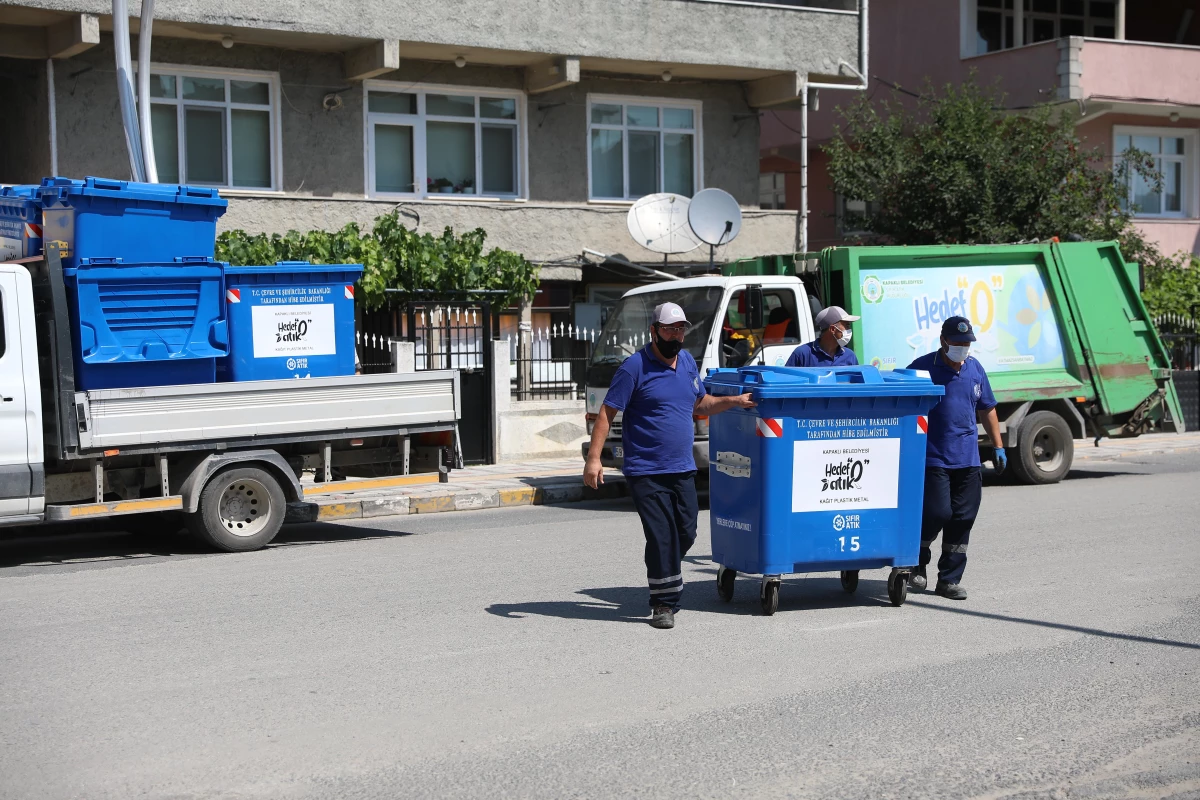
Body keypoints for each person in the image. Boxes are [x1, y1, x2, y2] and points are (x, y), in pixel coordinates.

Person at [583, 302, 756, 630]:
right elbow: (606, 413)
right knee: (661, 535)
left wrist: (733, 401)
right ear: (654, 331)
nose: (676, 335)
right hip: (645, 469)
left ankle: (661, 569)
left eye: (680, 329)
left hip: (682, 467)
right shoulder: (634, 367)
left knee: (685, 531)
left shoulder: (688, 362)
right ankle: (663, 603)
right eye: (669, 329)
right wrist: (594, 459)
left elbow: (699, 403)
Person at [904, 316, 1006, 600]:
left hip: (969, 460)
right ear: (943, 341)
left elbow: (987, 408)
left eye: (967, 343)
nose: (963, 348)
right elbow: (900, 398)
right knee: (937, 513)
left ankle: (949, 580)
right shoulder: (923, 368)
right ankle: (915, 563)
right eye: (958, 343)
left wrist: (998, 447)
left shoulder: (975, 368)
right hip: (933, 457)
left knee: (963, 518)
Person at [785, 306, 860, 367]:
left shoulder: (850, 356)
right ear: (833, 329)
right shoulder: (802, 354)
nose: (849, 330)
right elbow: (787, 381)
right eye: (846, 325)